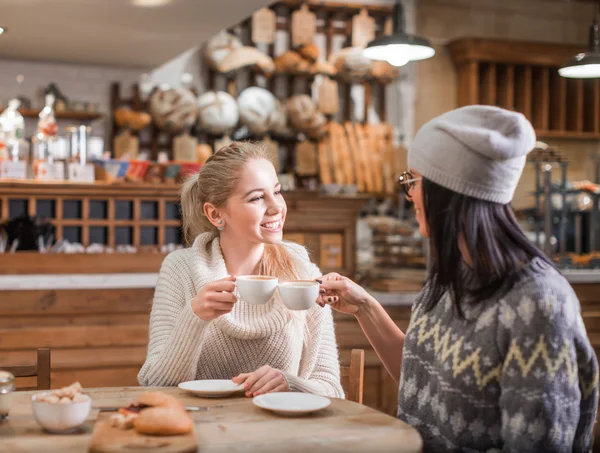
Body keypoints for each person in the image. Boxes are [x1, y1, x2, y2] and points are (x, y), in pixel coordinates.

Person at [317, 105, 599, 452]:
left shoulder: (538, 305)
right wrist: (365, 307)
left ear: (450, 192)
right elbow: (421, 377)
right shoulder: (451, 276)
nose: (409, 195)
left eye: (414, 181)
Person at [138, 141, 343, 399]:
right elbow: (154, 385)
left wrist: (291, 384)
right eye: (257, 197)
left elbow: (333, 391)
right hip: (204, 430)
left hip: (283, 434)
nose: (277, 207)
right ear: (215, 214)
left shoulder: (302, 272)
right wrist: (195, 317)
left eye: (277, 192)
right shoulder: (180, 269)